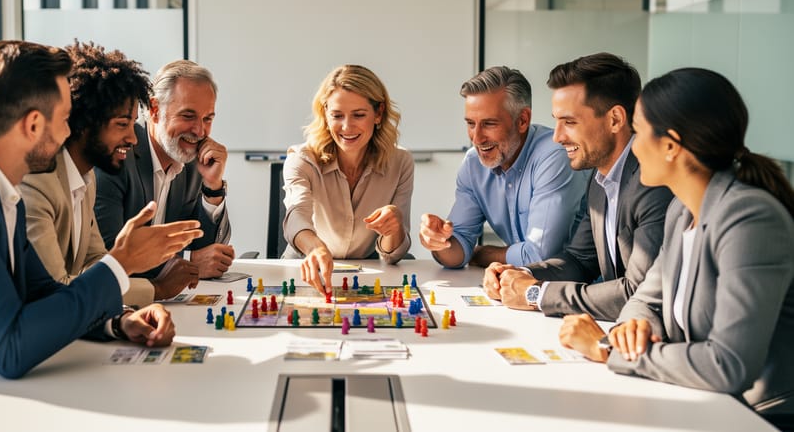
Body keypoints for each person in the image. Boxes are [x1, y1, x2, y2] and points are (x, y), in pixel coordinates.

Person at [0, 40, 203, 422]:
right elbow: (10, 347)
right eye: (65, 118)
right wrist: (120, 263)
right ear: (34, 124)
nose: (68, 132)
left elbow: (43, 293)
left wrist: (117, 321)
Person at [558, 68, 794, 424]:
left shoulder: (750, 219)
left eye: (637, 132)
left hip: (762, 417)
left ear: (670, 146)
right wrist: (635, 325)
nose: (632, 146)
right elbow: (644, 299)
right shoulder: (682, 210)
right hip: (703, 404)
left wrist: (607, 349)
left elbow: (728, 365)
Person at [483, 53, 672, 320]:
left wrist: (536, 294)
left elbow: (639, 294)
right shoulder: (599, 180)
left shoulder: (653, 182)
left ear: (615, 119)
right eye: (556, 121)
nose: (558, 137)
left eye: (570, 122)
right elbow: (579, 260)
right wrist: (519, 274)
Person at [21, 42, 199, 308]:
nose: (132, 138)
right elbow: (56, 290)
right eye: (121, 125)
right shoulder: (36, 185)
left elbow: (94, 263)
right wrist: (154, 287)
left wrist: (123, 319)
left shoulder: (86, 179)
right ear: (85, 123)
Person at [419, 66, 586, 269]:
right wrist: (438, 241)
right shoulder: (473, 164)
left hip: (577, 288)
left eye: (489, 124)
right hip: (523, 287)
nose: (477, 138)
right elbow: (459, 250)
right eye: (471, 123)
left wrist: (480, 254)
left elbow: (540, 255)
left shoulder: (554, 155)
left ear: (523, 120)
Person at [95, 60, 234, 279]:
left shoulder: (191, 162)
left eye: (207, 119)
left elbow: (212, 255)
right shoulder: (118, 156)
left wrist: (213, 188)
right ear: (154, 109)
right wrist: (188, 261)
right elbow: (108, 257)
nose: (200, 131)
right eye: (188, 116)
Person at [283, 65, 414, 293]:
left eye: (359, 115)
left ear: (379, 113)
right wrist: (315, 248)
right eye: (337, 115)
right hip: (304, 267)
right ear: (325, 113)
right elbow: (296, 215)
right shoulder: (302, 159)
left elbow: (393, 255)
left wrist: (393, 229)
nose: (346, 127)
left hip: (368, 272)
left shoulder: (400, 162)